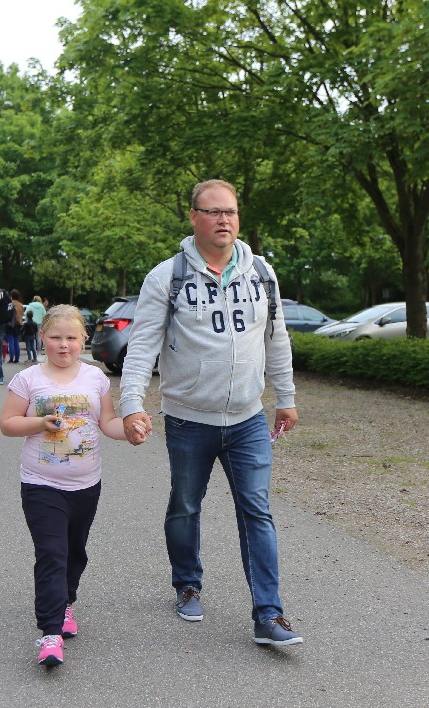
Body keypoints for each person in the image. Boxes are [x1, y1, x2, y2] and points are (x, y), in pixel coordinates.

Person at [119, 178, 303, 647]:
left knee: (256, 510)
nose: (225, 220)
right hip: (188, 420)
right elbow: (142, 346)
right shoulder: (167, 277)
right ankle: (187, 584)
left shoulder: (261, 272)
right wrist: (131, 405)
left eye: (231, 212)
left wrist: (286, 396)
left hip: (248, 419)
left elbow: (276, 338)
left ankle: (269, 614)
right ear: (194, 217)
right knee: (185, 504)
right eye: (214, 211)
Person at [1, 305, 128, 667]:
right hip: (41, 484)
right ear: (42, 337)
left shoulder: (95, 378)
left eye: (71, 337)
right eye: (55, 337)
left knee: (74, 553)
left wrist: (131, 430)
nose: (63, 345)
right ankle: (50, 632)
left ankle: (66, 601)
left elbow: (108, 422)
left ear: (83, 339)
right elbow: (8, 423)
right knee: (51, 553)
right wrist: (40, 422)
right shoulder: (27, 379)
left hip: (86, 485)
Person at [6, 289, 24, 363]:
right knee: (16, 341)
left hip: (10, 324)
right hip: (18, 324)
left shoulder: (10, 304)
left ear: (11, 296)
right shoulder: (21, 305)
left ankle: (11, 358)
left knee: (11, 341)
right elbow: (22, 314)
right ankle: (17, 358)